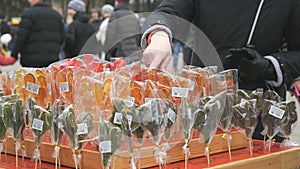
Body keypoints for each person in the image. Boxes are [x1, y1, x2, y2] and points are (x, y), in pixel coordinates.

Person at [141, 0, 300, 141]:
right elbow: (168, 11)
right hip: (204, 106)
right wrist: (159, 34)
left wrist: (268, 66)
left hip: (261, 116)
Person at [0, 0, 65, 67]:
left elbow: (21, 37)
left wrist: (14, 55)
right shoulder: (56, 15)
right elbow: (63, 37)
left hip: (31, 60)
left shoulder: (28, 14)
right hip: (52, 59)